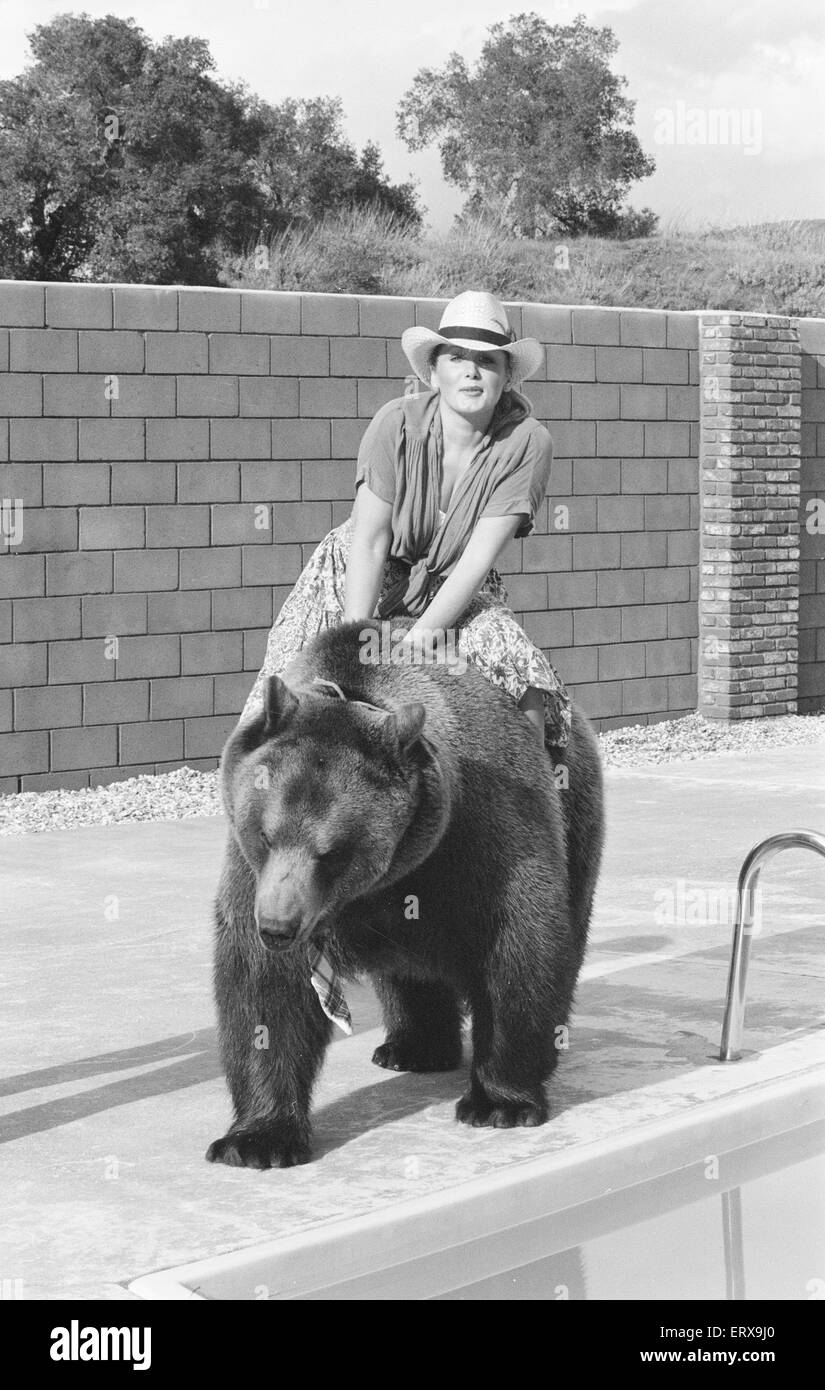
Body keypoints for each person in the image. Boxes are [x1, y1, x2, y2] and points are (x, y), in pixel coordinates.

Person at [239, 290, 571, 753]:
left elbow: (477, 558)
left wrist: (418, 640)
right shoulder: (394, 423)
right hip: (360, 565)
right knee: (292, 679)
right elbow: (369, 541)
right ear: (433, 372)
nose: (472, 372)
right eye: (457, 358)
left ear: (506, 377)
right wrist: (357, 648)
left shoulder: (528, 443)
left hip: (459, 579)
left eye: (488, 361)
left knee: (518, 669)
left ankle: (532, 800)